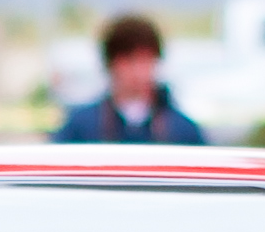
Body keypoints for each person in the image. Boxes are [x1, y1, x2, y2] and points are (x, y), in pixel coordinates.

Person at [52, 14, 204, 144]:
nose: (138, 71)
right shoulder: (81, 127)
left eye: (146, 60)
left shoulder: (183, 130)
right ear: (110, 64)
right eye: (130, 61)